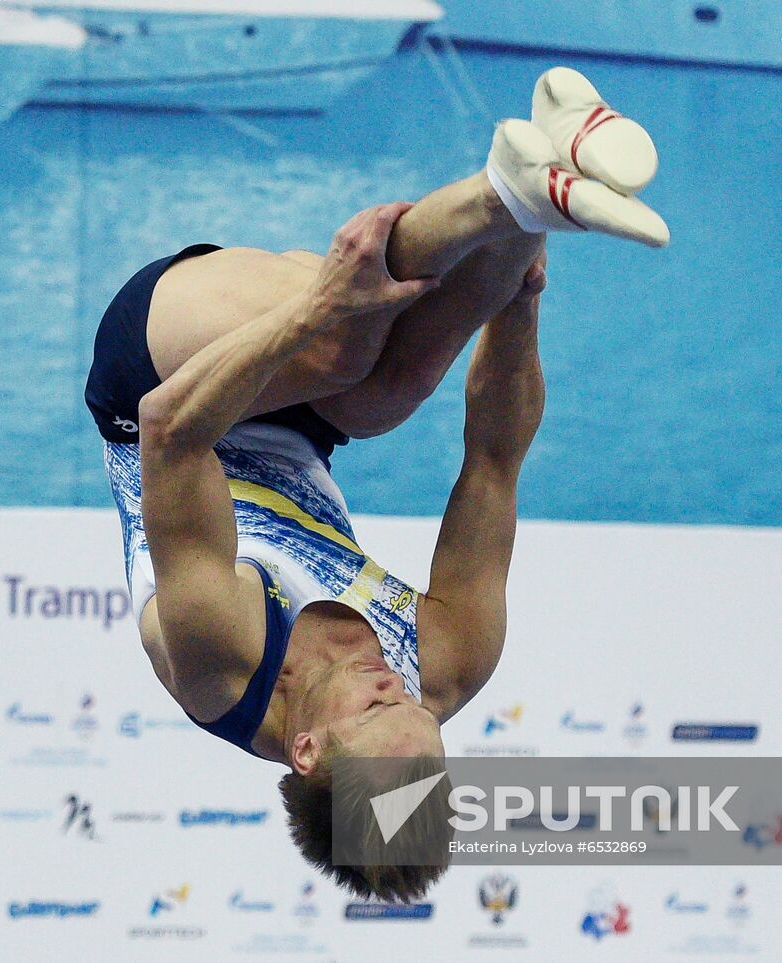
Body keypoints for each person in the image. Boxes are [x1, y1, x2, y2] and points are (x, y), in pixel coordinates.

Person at [83, 67, 666, 900]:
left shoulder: (222, 659)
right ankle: (539, 190)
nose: (393, 679)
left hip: (154, 385)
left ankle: (504, 187)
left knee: (344, 352)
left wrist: (321, 306)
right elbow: (494, 462)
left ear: (308, 750)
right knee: (387, 393)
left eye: (372, 705)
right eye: (418, 712)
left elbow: (174, 435)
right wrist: (517, 294)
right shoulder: (447, 662)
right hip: (304, 425)